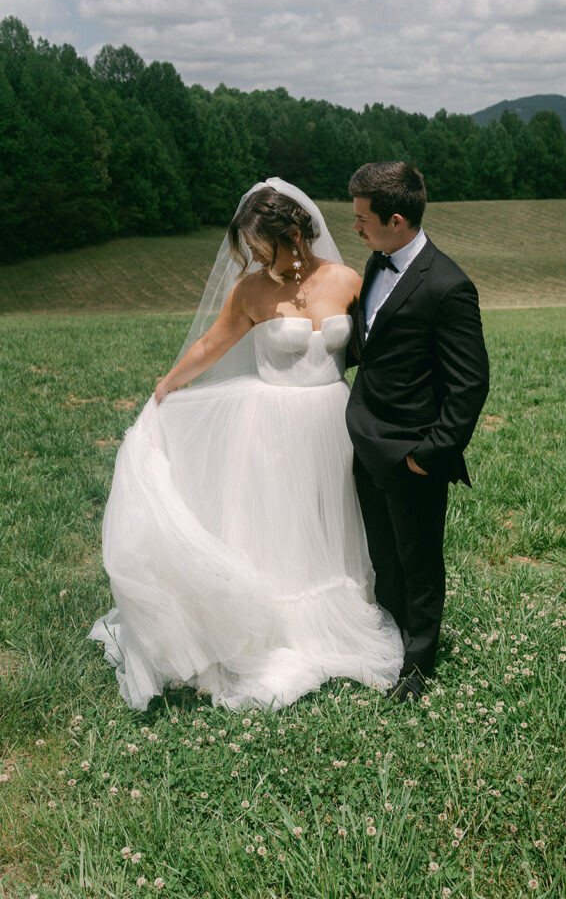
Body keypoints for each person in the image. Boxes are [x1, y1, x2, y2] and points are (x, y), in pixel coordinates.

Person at [89, 178, 403, 711]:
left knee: (328, 520)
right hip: (272, 427)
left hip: (330, 422)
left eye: (264, 245)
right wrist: (167, 386)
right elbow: (213, 343)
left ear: (297, 234)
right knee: (279, 527)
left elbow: (376, 351)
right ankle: (277, 630)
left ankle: (334, 618)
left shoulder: (348, 279)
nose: (256, 256)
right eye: (251, 248)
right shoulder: (252, 290)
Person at [345, 161, 489, 702]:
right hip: (366, 445)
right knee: (384, 556)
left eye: (362, 219)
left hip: (412, 453)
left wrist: (428, 456)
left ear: (396, 218)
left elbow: (470, 385)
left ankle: (420, 664)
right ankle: (391, 642)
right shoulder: (376, 263)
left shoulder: (449, 286)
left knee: (419, 560)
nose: (356, 228)